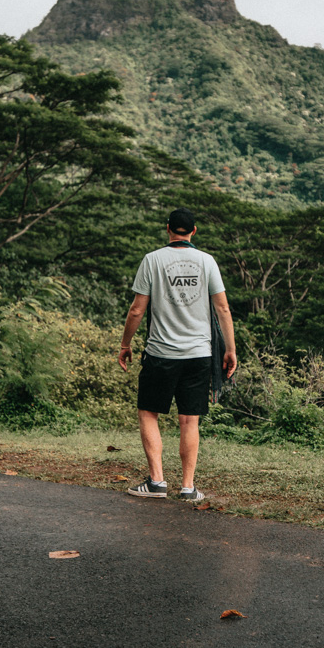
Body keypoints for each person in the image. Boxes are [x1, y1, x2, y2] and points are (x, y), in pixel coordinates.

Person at [117, 207, 236, 502]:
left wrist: (125, 344)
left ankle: (156, 482)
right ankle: (188, 487)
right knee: (189, 420)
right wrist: (231, 349)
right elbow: (222, 308)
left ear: (168, 228)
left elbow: (136, 309)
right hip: (199, 354)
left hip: (160, 353)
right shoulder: (207, 262)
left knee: (149, 412)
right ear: (194, 231)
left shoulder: (152, 260)